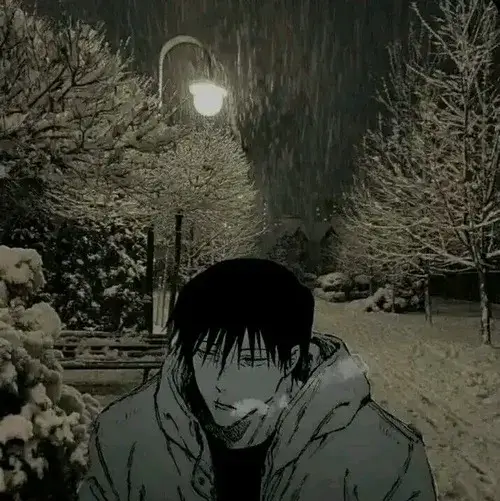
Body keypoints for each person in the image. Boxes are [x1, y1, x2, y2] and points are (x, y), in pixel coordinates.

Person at [78, 258, 437, 501]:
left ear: (291, 360)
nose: (222, 381)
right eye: (207, 355)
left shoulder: (385, 454)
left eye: (249, 360)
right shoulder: (125, 436)